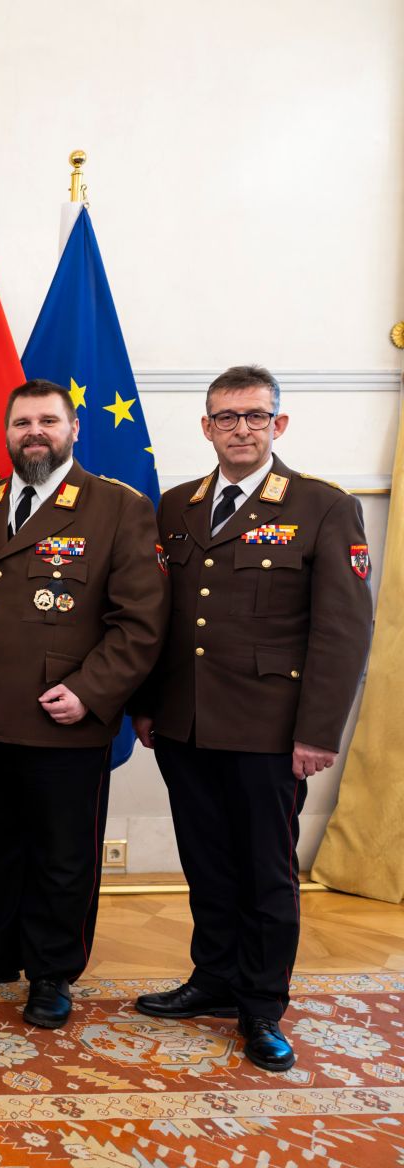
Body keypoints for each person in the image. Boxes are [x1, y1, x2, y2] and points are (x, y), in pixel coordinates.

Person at [129, 365, 373, 1072]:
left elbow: (343, 629)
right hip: (185, 725)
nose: (241, 428)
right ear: (206, 426)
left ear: (279, 425)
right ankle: (213, 977)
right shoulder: (175, 505)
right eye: (226, 416)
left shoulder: (323, 506)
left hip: (271, 729)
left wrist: (318, 731)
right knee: (206, 863)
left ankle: (261, 1004)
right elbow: (158, 621)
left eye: (255, 416)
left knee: (266, 873)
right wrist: (146, 705)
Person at [0, 379, 166, 1030]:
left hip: (59, 719)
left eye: (47, 421)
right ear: (5, 433)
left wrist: (90, 691)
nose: (34, 432)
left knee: (62, 856)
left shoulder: (117, 508)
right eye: (21, 422)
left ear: (73, 429)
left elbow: (140, 623)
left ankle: (52, 970)